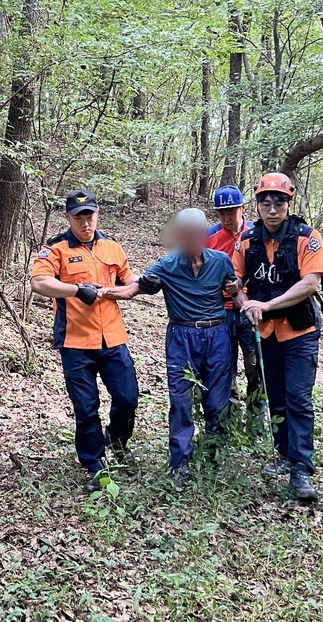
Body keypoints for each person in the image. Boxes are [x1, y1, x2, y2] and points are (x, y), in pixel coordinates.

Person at [108, 208, 234, 488]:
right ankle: (179, 463)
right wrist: (99, 290)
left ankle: (214, 455)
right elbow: (132, 290)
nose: (191, 239)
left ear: (204, 235)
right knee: (180, 401)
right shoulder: (166, 265)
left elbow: (235, 292)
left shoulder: (221, 261)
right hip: (182, 336)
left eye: (196, 234)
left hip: (217, 335)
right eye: (185, 234)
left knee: (216, 402)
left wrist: (245, 302)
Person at [30, 189, 141, 492]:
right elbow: (39, 282)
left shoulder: (112, 247)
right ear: (68, 218)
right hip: (76, 341)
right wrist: (77, 289)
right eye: (78, 217)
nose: (85, 222)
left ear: (97, 214)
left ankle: (117, 441)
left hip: (113, 338)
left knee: (128, 398)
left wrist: (142, 284)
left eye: (89, 215)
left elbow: (128, 278)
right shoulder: (55, 248)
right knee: (86, 406)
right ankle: (94, 463)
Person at [227, 172, 323, 503]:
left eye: (278, 203)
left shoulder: (306, 238)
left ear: (289, 203)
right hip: (265, 332)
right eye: (265, 203)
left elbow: (310, 283)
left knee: (299, 398)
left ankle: (301, 469)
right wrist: (244, 303)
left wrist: (265, 304)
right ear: (257, 205)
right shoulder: (246, 241)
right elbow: (234, 284)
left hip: (299, 331)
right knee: (278, 397)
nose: (272, 209)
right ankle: (284, 453)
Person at [205, 185, 261, 402]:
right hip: (220, 312)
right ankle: (230, 422)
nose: (227, 217)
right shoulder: (208, 237)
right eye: (222, 213)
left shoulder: (257, 232)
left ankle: (256, 420)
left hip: (251, 310)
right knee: (224, 369)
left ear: (242, 208)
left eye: (231, 211)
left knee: (255, 366)